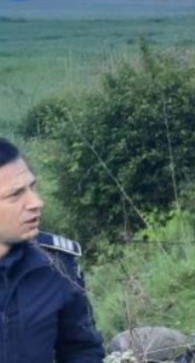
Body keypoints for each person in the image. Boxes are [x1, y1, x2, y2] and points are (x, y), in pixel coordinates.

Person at [0, 137, 105, 361]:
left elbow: (81, 350)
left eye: (32, 187)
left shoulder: (54, 264)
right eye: (15, 195)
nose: (36, 202)